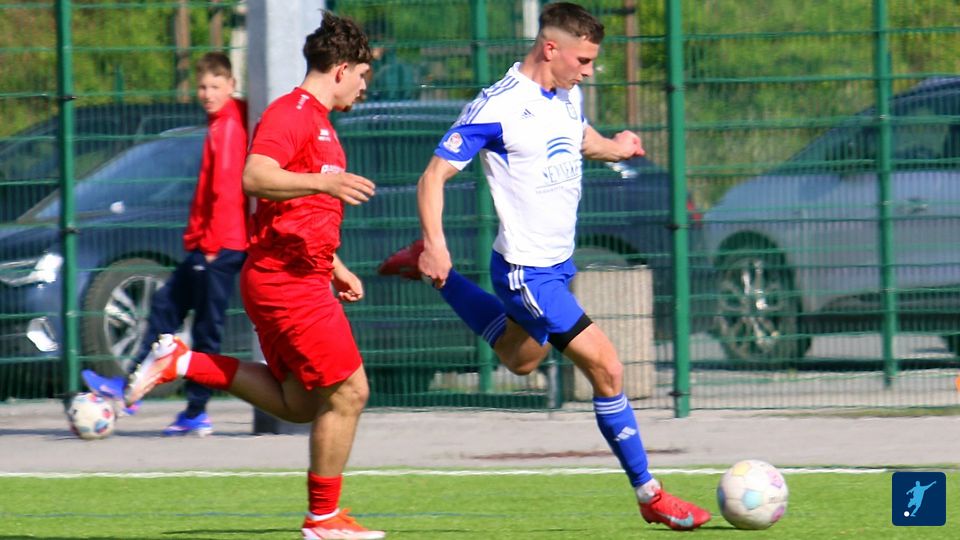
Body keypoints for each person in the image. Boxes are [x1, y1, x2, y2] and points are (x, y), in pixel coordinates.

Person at [377, 2, 711, 531]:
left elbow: (579, 138)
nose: (589, 71)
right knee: (608, 368)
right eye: (583, 60)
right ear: (550, 48)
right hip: (526, 272)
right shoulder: (498, 106)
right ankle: (650, 493)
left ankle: (434, 276)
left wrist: (617, 147)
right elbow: (432, 177)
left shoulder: (567, 94)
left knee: (521, 358)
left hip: (557, 265)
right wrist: (437, 243)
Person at [123, 12, 384, 540]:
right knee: (350, 392)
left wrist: (334, 265)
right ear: (341, 69)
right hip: (287, 282)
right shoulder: (292, 113)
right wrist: (326, 185)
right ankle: (323, 519)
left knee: (301, 403)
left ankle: (183, 361)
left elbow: (298, 211)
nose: (363, 89)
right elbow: (256, 176)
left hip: (298, 275)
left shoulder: (320, 123)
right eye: (362, 76)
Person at [81, 51, 249, 436]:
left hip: (220, 246)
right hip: (211, 244)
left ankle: (196, 411)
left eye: (215, 86)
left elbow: (226, 189)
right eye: (202, 87)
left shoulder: (228, 128)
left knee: (206, 330)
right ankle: (130, 388)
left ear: (231, 85)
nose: (208, 94)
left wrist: (210, 246)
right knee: (165, 308)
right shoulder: (221, 122)